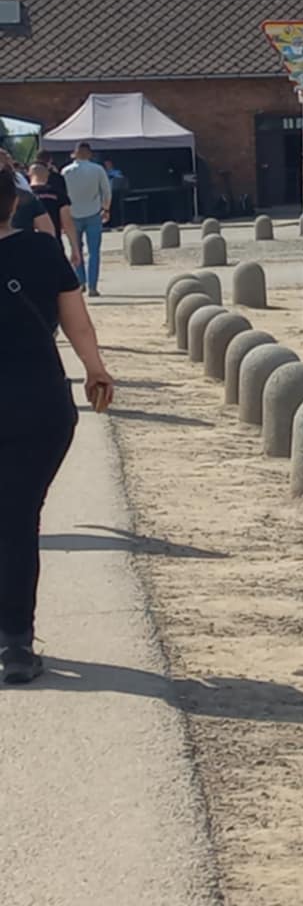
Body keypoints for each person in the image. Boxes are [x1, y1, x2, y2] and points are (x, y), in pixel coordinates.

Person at [1, 165, 116, 683]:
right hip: (39, 406)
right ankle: (16, 644)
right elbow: (77, 323)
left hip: (28, 408)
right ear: (14, 203)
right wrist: (95, 369)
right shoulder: (42, 251)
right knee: (17, 521)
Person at [62, 142, 112, 297]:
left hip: (72, 214)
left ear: (74, 153)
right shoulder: (97, 169)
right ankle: (93, 287)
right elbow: (106, 191)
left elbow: (62, 195)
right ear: (90, 154)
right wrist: (106, 208)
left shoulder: (66, 171)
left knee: (76, 250)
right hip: (93, 213)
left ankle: (80, 282)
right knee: (94, 252)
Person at [29, 161, 79, 274]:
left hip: (28, 246)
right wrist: (75, 248)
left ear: (29, 175)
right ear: (47, 175)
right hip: (53, 244)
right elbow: (67, 223)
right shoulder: (58, 195)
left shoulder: (22, 196)